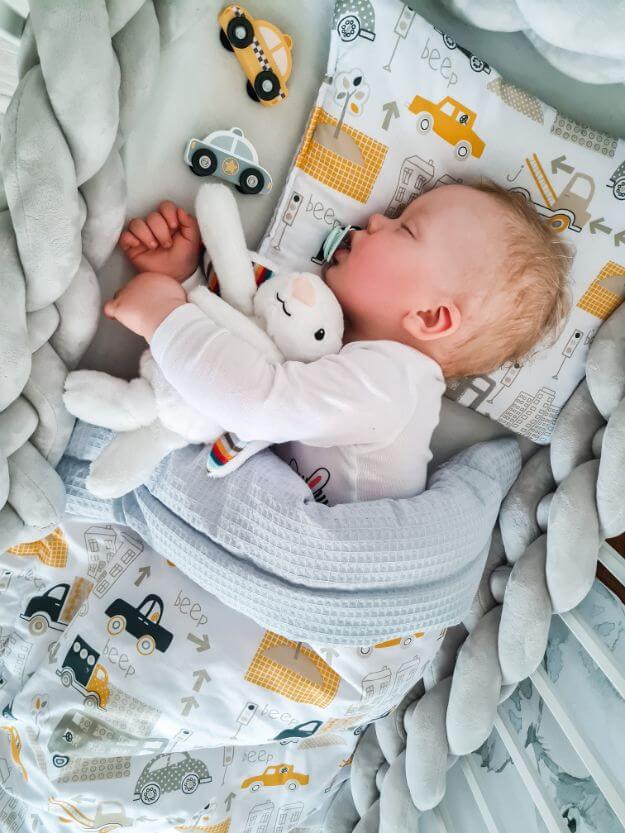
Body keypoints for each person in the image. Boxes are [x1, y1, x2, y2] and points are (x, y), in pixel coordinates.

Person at [104, 182, 571, 506]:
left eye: (406, 228)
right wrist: (186, 281)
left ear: (430, 317)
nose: (377, 219)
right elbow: (252, 351)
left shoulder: (389, 384)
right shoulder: (346, 357)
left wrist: (164, 317)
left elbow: (258, 400)